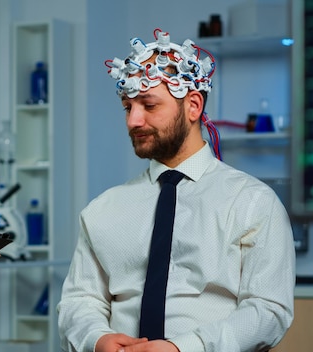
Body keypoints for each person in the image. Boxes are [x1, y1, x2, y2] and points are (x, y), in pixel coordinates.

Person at [57, 29, 295, 352]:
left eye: (149, 105)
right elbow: (78, 301)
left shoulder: (252, 203)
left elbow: (268, 310)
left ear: (193, 106)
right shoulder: (102, 211)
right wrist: (96, 338)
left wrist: (185, 348)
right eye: (128, 107)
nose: (133, 121)